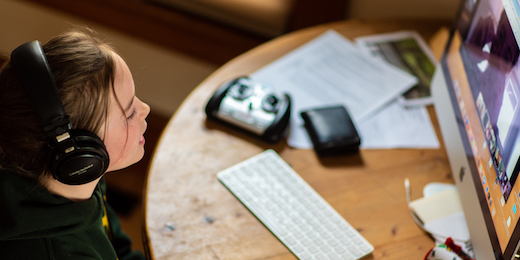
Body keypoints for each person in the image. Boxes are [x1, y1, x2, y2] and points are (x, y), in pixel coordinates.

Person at [0, 28, 150, 260]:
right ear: (79, 152)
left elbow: (118, 247)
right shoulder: (58, 253)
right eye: (129, 113)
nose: (145, 109)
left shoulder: (84, 180)